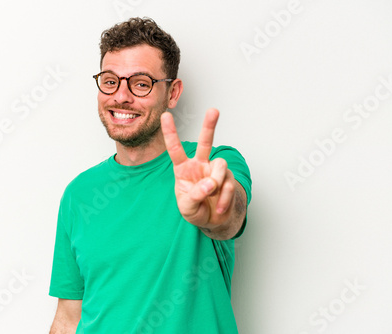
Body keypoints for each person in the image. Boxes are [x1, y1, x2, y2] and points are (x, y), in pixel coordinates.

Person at [49, 17, 252, 334]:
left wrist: (214, 212)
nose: (121, 96)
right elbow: (68, 317)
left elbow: (229, 217)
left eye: (141, 83)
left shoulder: (214, 164)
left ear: (172, 93)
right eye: (110, 80)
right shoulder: (78, 194)